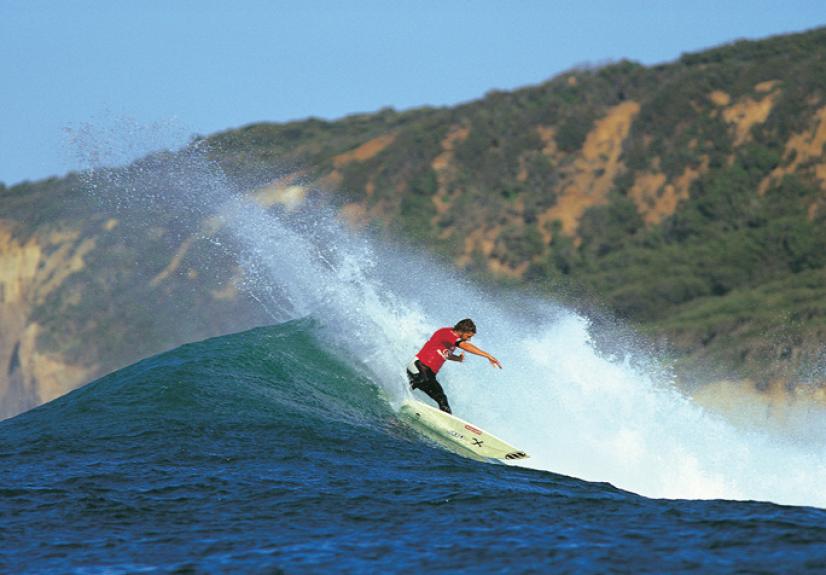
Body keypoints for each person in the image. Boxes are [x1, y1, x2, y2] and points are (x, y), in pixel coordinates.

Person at [406, 318, 502, 414]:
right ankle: (404, 390)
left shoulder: (451, 340)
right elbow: (466, 346)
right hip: (419, 366)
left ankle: (446, 421)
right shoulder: (447, 333)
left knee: (442, 398)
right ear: (463, 331)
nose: (469, 339)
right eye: (468, 336)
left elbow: (444, 354)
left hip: (428, 373)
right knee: (424, 381)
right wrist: (487, 355)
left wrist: (458, 359)